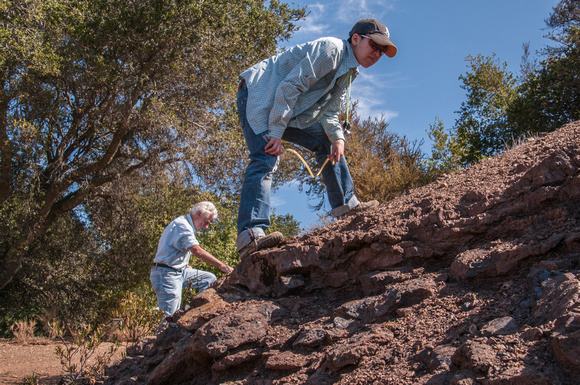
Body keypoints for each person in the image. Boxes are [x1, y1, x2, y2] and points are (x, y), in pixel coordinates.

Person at [235, 18, 397, 258]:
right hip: (259, 96)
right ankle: (250, 236)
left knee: (327, 143)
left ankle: (346, 206)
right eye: (375, 45)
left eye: (382, 50)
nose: (378, 53)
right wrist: (276, 133)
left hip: (287, 109)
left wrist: (338, 138)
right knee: (265, 156)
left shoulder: (350, 72)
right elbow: (289, 87)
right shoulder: (331, 50)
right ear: (355, 39)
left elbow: (329, 112)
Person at [150, 201, 234, 317]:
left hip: (179, 271)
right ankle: (162, 333)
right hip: (166, 274)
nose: (206, 227)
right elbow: (197, 251)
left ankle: (199, 313)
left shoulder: (186, 225)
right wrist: (222, 265)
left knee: (208, 279)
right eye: (206, 222)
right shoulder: (182, 225)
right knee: (169, 317)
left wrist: (184, 264)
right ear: (199, 214)